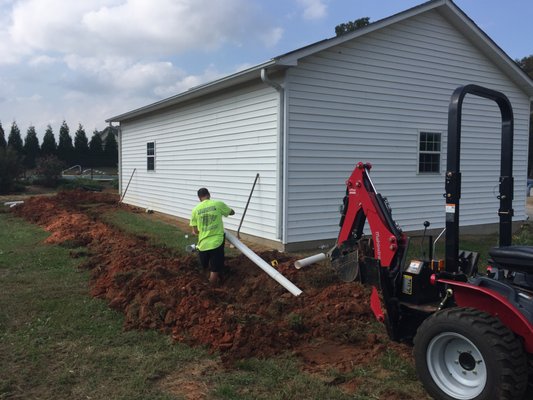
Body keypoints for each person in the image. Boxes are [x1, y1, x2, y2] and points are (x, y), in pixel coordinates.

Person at [190, 187, 235, 285]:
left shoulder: (195, 210)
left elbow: (196, 231)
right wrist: (230, 211)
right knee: (215, 268)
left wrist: (196, 231)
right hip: (216, 242)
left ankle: (205, 283)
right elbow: (231, 212)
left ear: (199, 198)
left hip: (203, 244)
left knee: (205, 266)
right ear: (209, 195)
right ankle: (211, 288)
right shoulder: (217, 204)